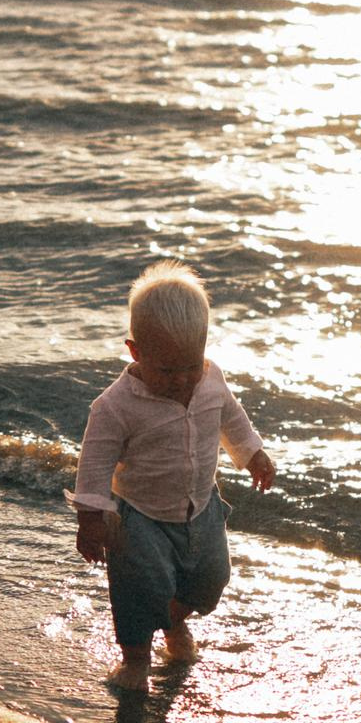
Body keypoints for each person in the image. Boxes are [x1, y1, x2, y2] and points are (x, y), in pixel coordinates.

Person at [70, 262, 277, 689]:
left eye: (190, 365)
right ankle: (135, 661)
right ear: (135, 352)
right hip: (138, 516)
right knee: (140, 587)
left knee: (212, 578)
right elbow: (94, 463)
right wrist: (90, 519)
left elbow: (231, 418)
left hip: (201, 507)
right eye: (166, 371)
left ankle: (170, 620)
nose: (181, 380)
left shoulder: (211, 379)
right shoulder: (115, 406)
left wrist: (253, 454)